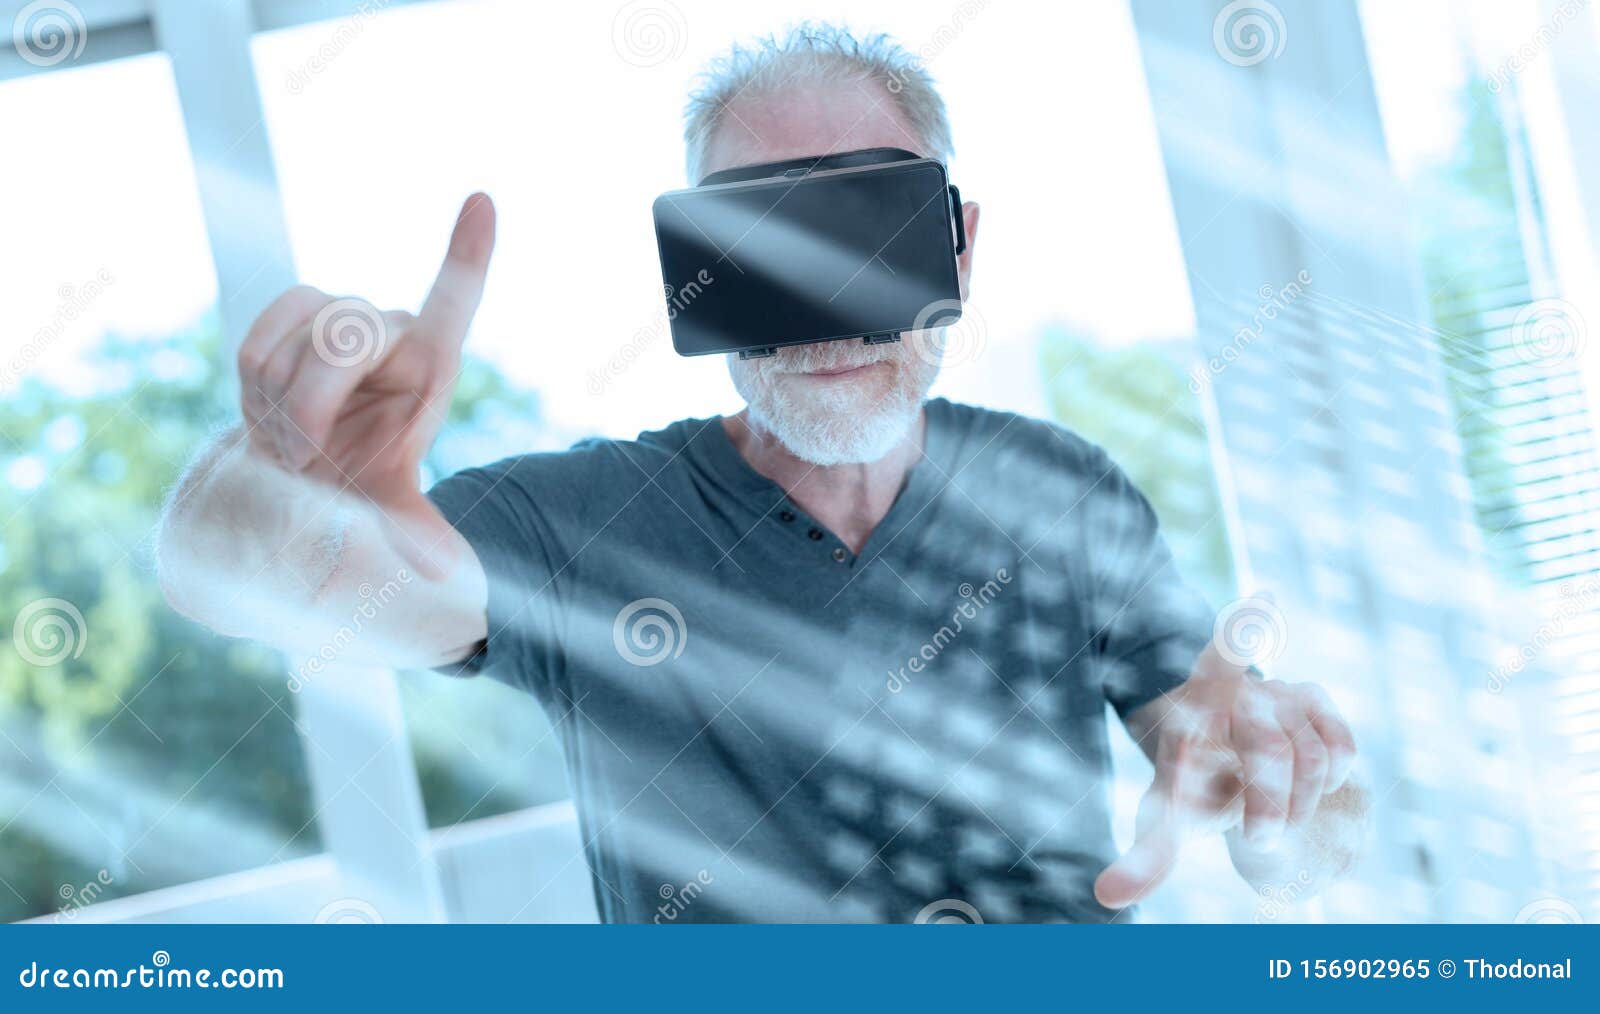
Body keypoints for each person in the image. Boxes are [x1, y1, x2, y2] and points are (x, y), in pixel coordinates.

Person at [157, 24, 1366, 923]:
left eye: (871, 234)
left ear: (958, 246)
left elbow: (1251, 787)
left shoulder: (1064, 491)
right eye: (770, 247)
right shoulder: (583, 528)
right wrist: (287, 481)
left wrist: (1283, 802)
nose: (828, 314)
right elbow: (243, 580)